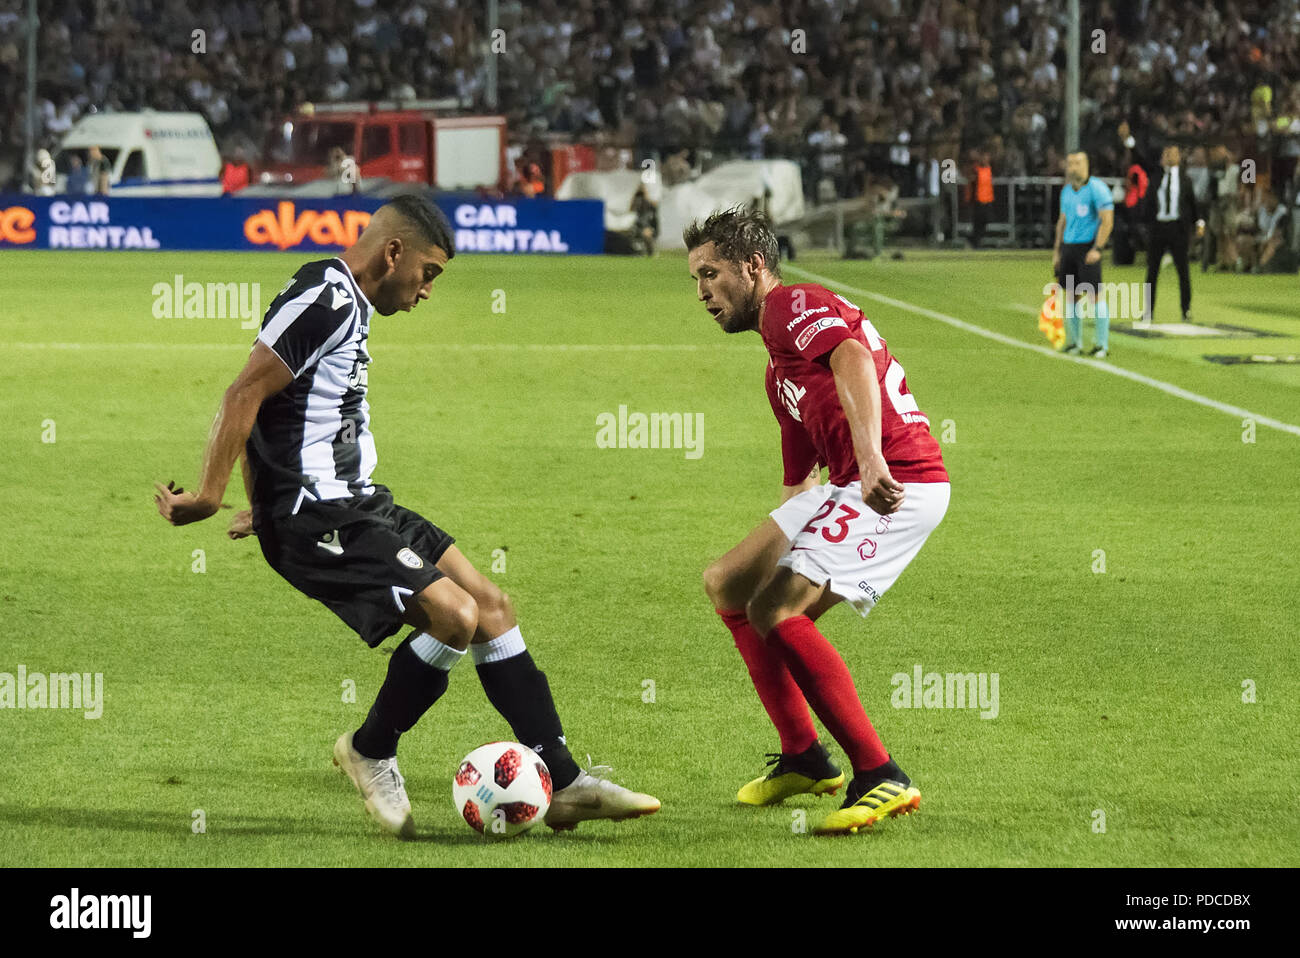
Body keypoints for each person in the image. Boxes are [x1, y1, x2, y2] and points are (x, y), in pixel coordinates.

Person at [154, 194, 659, 839]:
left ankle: (562, 783)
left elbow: (288, 409)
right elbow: (246, 389)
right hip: (319, 513)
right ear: (394, 253)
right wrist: (212, 493)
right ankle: (371, 747)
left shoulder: (348, 304)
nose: (426, 292)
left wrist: (265, 496)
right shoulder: (328, 295)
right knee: (454, 617)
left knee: (492, 606)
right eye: (428, 274)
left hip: (357, 499)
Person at [686, 207, 950, 837]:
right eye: (695, 279)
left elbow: (854, 357)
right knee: (730, 583)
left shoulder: (788, 306)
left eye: (710, 273)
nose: (701, 292)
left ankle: (880, 773)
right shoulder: (779, 373)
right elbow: (796, 486)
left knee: (777, 609)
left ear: (752, 268)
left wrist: (868, 459)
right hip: (849, 479)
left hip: (897, 480)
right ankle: (805, 757)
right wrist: (777, 545)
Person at [1052, 151, 1114, 357]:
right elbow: (1062, 222)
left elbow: (1107, 219)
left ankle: (1101, 345)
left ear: (1086, 164)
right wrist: (1057, 251)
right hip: (1069, 247)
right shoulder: (1067, 191)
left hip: (1088, 247)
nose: (1073, 168)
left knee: (1095, 296)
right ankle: (1074, 343)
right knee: (1071, 296)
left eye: (1077, 163)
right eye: (1070, 164)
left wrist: (1098, 248)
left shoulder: (1097, 189)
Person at [1143, 145, 1203, 322]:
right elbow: (1149, 202)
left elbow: (1192, 203)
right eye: (1166, 153)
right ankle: (1148, 310)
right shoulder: (1156, 177)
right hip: (1158, 227)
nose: (1169, 156)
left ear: (1179, 157)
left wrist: (1199, 223)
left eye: (1173, 153)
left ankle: (1186, 309)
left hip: (1178, 228)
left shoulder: (1185, 179)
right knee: (1152, 271)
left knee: (1183, 271)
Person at [630, 183, 659, 255]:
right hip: (636, 225)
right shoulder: (635, 200)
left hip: (648, 226)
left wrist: (646, 192)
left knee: (647, 233)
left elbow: (654, 206)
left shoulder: (649, 202)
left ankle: (650, 253)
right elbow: (630, 209)